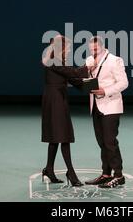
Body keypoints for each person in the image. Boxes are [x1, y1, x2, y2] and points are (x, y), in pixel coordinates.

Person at [41, 35, 89, 187]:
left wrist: (91, 88)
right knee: (64, 136)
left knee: (56, 136)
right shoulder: (55, 60)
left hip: (57, 99)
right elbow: (73, 74)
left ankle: (49, 169)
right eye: (67, 48)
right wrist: (88, 66)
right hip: (55, 100)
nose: (69, 51)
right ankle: (71, 173)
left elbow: (73, 80)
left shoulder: (58, 61)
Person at [84, 36, 129, 188]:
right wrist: (87, 71)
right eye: (91, 49)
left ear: (102, 47)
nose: (93, 51)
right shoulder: (89, 60)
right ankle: (106, 173)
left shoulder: (115, 60)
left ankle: (119, 175)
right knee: (102, 142)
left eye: (96, 49)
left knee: (110, 142)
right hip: (95, 106)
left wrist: (106, 91)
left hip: (111, 105)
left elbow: (124, 83)